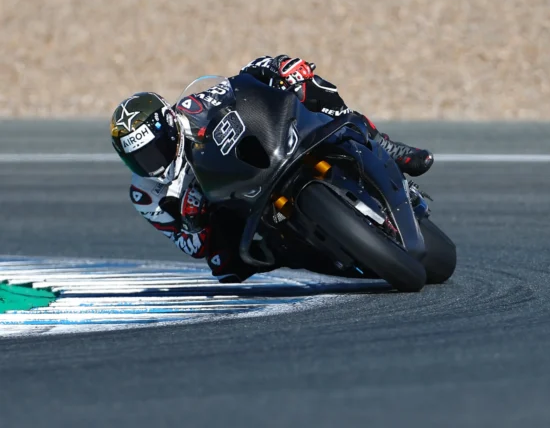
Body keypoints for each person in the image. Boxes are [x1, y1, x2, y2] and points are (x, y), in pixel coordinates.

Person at [110, 55, 434, 283]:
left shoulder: (192, 110)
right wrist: (194, 222)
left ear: (169, 127)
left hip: (268, 155)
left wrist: (279, 66)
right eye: (138, 159)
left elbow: (242, 81)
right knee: (224, 266)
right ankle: (311, 251)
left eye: (153, 151)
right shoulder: (146, 194)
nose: (151, 163)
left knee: (308, 88)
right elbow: (190, 247)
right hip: (238, 207)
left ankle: (383, 144)